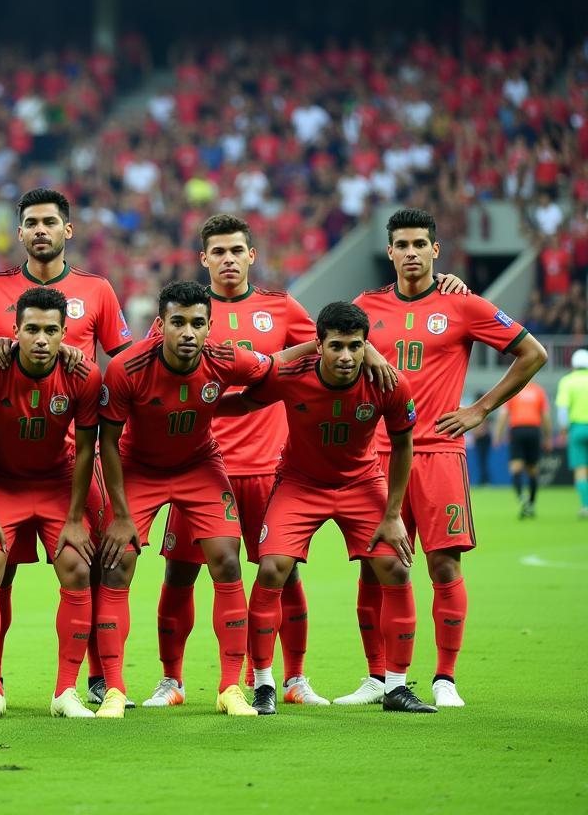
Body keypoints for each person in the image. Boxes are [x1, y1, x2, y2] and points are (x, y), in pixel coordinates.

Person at [338, 208, 547, 709]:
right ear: (388, 252)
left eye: (420, 244)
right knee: (377, 568)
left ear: (435, 250)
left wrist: (480, 409)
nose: (411, 252)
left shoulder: (464, 304)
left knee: (444, 566)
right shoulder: (364, 306)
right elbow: (332, 346)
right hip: (380, 456)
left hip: (438, 453)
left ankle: (445, 679)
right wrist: (365, 353)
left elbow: (533, 353)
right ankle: (379, 678)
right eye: (401, 244)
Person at [94, 280, 316, 718]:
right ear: (160, 326)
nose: (188, 332)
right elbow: (107, 441)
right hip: (139, 467)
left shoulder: (224, 358)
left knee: (228, 561)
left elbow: (273, 367)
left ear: (210, 327)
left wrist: (334, 349)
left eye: (198, 323)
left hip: (199, 465)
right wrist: (120, 514)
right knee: (118, 564)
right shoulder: (127, 368)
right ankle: (116, 689)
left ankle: (229, 687)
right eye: (178, 322)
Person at [0, 187, 132, 710]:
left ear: (66, 230)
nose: (39, 230)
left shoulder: (98, 290)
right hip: (7, 458)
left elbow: (119, 370)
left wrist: (85, 374)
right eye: (30, 222)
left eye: (49, 222)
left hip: (67, 460)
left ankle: (88, 681)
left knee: (90, 568)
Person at [220, 301, 435, 714]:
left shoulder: (389, 383)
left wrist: (392, 516)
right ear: (317, 345)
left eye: (356, 346)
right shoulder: (291, 375)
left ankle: (396, 687)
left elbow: (404, 442)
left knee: (396, 567)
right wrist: (201, 406)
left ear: (366, 345)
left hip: (362, 483)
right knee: (271, 569)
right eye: (336, 346)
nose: (346, 356)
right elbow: (245, 402)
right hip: (300, 484)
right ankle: (264, 684)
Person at [144, 215, 322, 708]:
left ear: (251, 256)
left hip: (269, 467)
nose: (227, 259)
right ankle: (172, 681)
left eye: (235, 251)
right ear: (203, 259)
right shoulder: (184, 311)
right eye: (216, 252)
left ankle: (292, 678)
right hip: (200, 466)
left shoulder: (280, 308)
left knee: (283, 575)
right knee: (180, 573)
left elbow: (325, 349)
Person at [0, 286, 102, 720]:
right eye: (32, 330)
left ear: (65, 334)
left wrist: (77, 519)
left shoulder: (83, 374)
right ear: (15, 331)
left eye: (51, 331)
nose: (41, 339)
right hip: (3, 484)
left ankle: (66, 691)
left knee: (78, 565)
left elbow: (84, 450)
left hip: (57, 483)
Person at [493, 381, 551, 517]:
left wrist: (497, 436)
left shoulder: (514, 388)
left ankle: (521, 498)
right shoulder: (539, 391)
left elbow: (503, 415)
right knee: (533, 469)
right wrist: (548, 437)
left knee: (515, 468)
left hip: (517, 430)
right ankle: (531, 503)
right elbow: (546, 416)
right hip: (534, 430)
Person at [556, 349, 588, 517]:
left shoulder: (567, 381)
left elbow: (562, 410)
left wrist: (563, 430)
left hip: (577, 429)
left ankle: (585, 505)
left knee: (581, 469)